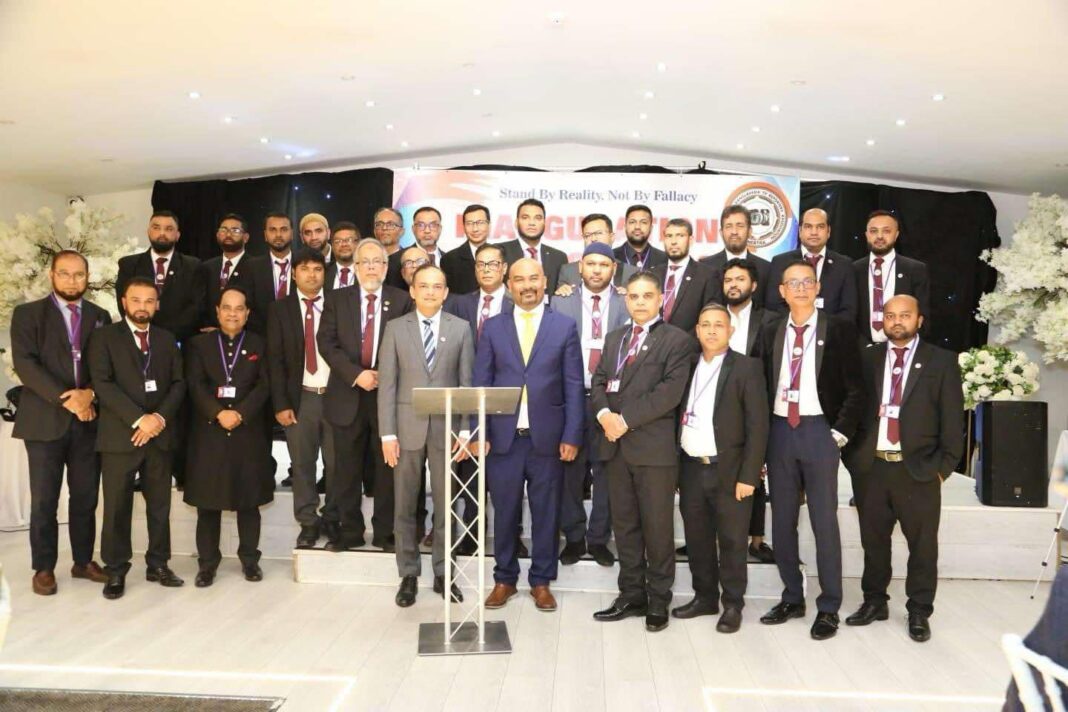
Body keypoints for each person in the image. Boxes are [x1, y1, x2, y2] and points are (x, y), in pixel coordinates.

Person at [842, 295, 963, 642]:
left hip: (919, 470)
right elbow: (851, 407)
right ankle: (874, 601)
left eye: (905, 315)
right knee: (873, 542)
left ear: (919, 320)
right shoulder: (867, 357)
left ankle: (919, 610)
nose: (897, 321)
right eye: (890, 315)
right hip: (872, 468)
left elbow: (953, 421)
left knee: (922, 546)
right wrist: (853, 458)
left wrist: (942, 469)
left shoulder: (941, 361)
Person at [757, 260, 865, 640]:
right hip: (779, 432)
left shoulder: (839, 329)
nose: (801, 288)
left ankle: (829, 606)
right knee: (782, 521)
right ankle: (792, 597)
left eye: (807, 281)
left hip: (820, 432)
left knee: (824, 522)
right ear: (782, 292)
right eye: (793, 283)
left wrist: (838, 434)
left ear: (818, 288)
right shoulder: (770, 329)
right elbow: (759, 385)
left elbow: (857, 388)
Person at [474, 258, 584, 612]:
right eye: (519, 279)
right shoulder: (493, 327)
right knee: (504, 511)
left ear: (545, 281)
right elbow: (481, 383)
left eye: (533, 278)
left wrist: (572, 435)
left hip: (548, 440)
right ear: (509, 285)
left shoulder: (564, 326)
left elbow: (573, 385)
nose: (527, 285)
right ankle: (504, 579)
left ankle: (541, 581)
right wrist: (479, 431)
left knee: (546, 513)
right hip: (502, 439)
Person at [591, 272, 695, 632]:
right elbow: (599, 382)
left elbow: (669, 393)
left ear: (660, 299)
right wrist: (604, 416)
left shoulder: (677, 340)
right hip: (615, 447)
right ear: (626, 300)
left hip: (653, 451)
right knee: (625, 527)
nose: (639, 302)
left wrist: (624, 420)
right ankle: (631, 594)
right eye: (633, 296)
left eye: (646, 296)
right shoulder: (614, 338)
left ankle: (658, 599)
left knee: (657, 529)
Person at [11, 250, 111, 595]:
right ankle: (43, 567)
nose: (72, 280)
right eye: (65, 273)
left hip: (88, 421)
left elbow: (107, 366)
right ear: (52, 275)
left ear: (88, 277)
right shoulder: (28, 315)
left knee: (86, 497)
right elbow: (26, 365)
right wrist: (70, 399)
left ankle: (83, 561)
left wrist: (90, 394)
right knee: (44, 500)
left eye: (79, 274)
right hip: (44, 421)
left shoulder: (100, 316)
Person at [378, 264, 475, 607]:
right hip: (405, 429)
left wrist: (465, 430)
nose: (430, 292)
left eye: (437, 286)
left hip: (447, 431)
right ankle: (408, 574)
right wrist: (387, 434)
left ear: (446, 292)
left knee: (447, 505)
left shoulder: (461, 328)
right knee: (405, 505)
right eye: (424, 286)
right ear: (413, 291)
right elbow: (387, 385)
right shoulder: (395, 328)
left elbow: (466, 384)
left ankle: (444, 572)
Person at [88, 277, 186, 600]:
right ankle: (116, 569)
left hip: (158, 436)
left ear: (157, 305)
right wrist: (138, 418)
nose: (142, 306)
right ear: (124, 303)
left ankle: (158, 564)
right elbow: (102, 384)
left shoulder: (167, 338)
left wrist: (158, 419)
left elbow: (179, 383)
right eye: (136, 300)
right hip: (120, 437)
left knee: (160, 505)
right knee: (117, 506)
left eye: (149, 300)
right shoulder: (104, 338)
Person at [672, 303, 768, 633]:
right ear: (696, 330)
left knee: (732, 541)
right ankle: (704, 597)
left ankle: (732, 604)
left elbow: (758, 426)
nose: (712, 330)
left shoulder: (747, 368)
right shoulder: (686, 365)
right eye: (705, 325)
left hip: (730, 470)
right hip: (691, 468)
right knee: (697, 539)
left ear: (730, 330)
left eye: (718, 325)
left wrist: (749, 475)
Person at [318, 238, 412, 552]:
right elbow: (326, 342)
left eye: (377, 262)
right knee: (346, 469)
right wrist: (356, 374)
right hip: (347, 392)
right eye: (365, 262)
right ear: (355, 267)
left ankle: (385, 533)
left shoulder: (401, 300)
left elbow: (407, 345)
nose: (371, 267)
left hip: (387, 395)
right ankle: (350, 532)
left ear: (386, 267)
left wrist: (382, 374)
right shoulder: (336, 299)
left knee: (387, 469)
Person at [183, 286, 273, 586]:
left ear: (247, 313)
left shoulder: (260, 344)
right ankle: (207, 564)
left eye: (239, 308)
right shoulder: (198, 345)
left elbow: (264, 385)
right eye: (227, 307)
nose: (232, 313)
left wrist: (240, 413)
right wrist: (218, 412)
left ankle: (250, 560)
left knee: (249, 501)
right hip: (209, 433)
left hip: (248, 432)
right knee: (207, 502)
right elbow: (194, 384)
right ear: (217, 311)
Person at [549, 242, 627, 567]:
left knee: (606, 471)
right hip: (570, 399)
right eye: (590, 264)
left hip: (609, 400)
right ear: (580, 267)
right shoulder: (560, 301)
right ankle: (574, 536)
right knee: (569, 469)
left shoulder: (626, 302)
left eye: (603, 265)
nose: (596, 270)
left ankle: (598, 539)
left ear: (614, 269)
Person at [445, 242, 515, 556]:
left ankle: (512, 535)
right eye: (480, 264)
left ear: (504, 268)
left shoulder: (517, 303)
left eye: (492, 264)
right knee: (472, 470)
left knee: (507, 472)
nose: (486, 270)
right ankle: (473, 532)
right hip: (468, 394)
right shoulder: (459, 303)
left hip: (506, 396)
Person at [267, 250, 339, 549]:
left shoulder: (338, 304)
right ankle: (308, 522)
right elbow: (274, 360)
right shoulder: (279, 309)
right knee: (302, 465)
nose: (311, 274)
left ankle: (333, 518)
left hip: (336, 398)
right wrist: (281, 404)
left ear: (325, 274)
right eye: (305, 269)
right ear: (294, 274)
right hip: (300, 399)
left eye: (317, 269)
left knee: (337, 465)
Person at [723, 258, 780, 563]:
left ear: (753, 285)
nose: (734, 285)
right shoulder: (713, 317)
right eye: (728, 280)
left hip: (757, 403)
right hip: (719, 406)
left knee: (755, 469)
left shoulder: (770, 320)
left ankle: (757, 540)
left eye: (740, 279)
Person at [116, 210, 202, 343]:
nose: (162, 233)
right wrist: (144, 331)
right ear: (148, 232)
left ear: (177, 235)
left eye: (169, 229)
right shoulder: (129, 264)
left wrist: (166, 337)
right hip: (138, 339)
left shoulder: (192, 266)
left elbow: (195, 307)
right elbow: (124, 303)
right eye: (156, 228)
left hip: (179, 341)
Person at [853, 210, 931, 344]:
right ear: (866, 235)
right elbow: (848, 316)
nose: (879, 236)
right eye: (873, 231)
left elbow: (923, 315)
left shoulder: (915, 269)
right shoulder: (853, 269)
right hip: (861, 350)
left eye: (886, 231)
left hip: (903, 347)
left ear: (896, 235)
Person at [765, 208, 858, 322]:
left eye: (820, 227)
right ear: (800, 231)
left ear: (828, 231)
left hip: (831, 331)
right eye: (808, 226)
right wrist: (798, 325)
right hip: (790, 330)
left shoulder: (844, 265)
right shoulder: (780, 262)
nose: (814, 232)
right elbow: (774, 305)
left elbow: (848, 310)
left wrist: (822, 328)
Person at [650, 218, 718, 334]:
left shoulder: (707, 275)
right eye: (669, 236)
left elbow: (710, 318)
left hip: (689, 343)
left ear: (690, 240)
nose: (673, 241)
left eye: (680, 236)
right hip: (654, 342)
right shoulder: (652, 274)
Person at [698, 205, 772, 308]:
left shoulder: (766, 269)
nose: (734, 232)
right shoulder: (704, 267)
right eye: (729, 226)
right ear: (721, 232)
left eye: (740, 226)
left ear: (750, 231)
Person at [197, 213, 256, 330]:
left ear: (246, 237)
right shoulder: (207, 267)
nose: (228, 234)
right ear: (218, 235)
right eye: (224, 230)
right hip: (209, 334)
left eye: (235, 230)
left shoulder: (255, 267)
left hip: (243, 334)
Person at [499, 199, 568, 295]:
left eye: (538, 218)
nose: (532, 223)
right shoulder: (500, 252)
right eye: (525, 217)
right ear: (516, 222)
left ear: (544, 223)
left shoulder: (559, 257)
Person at [556, 213, 637, 291]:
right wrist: (562, 293)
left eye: (599, 233)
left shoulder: (631, 273)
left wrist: (631, 296)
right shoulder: (568, 271)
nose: (593, 239)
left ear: (612, 237)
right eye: (588, 235)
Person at [387, 206, 444, 289]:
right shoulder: (394, 261)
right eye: (421, 225)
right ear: (413, 229)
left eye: (433, 225)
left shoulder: (450, 261)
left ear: (440, 229)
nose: (427, 231)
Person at [441, 204, 492, 296]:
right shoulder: (449, 260)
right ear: (463, 227)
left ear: (489, 225)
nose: (475, 229)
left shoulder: (500, 255)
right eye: (469, 223)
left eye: (480, 223)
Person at [613, 204, 667, 271]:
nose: (637, 227)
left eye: (643, 222)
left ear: (651, 228)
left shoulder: (663, 259)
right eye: (632, 222)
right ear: (625, 227)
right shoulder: (612, 257)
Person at [325, 222, 360, 290]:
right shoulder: (323, 271)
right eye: (338, 241)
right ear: (332, 246)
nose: (344, 244)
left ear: (358, 243)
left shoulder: (368, 270)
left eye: (349, 240)